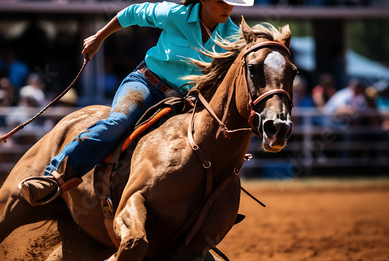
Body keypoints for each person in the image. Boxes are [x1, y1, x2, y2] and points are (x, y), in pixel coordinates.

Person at [19, 0, 252, 207]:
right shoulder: (174, 13)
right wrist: (99, 37)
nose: (228, 7)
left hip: (185, 102)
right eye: (222, 1)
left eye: (232, 3)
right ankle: (54, 176)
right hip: (146, 85)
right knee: (119, 121)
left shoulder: (234, 36)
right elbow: (132, 13)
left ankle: (199, 230)